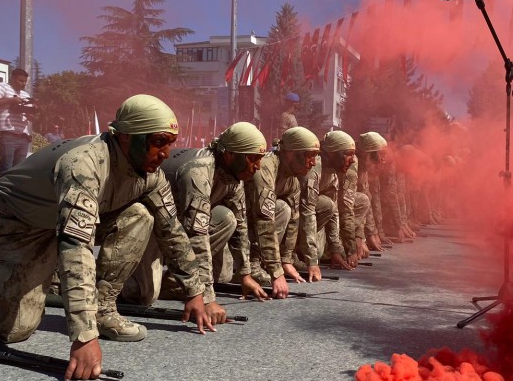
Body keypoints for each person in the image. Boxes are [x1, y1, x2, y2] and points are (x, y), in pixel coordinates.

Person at [0, 94, 211, 381]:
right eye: (158, 141)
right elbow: (76, 246)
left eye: (170, 143)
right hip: (13, 224)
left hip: (53, 223)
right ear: (125, 137)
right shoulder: (84, 165)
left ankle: (103, 309)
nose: (166, 152)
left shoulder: (151, 175)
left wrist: (195, 292)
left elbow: (171, 230)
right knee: (11, 330)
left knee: (139, 215)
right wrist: (84, 336)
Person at [122, 121, 271, 317]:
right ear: (229, 155)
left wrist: (245, 274)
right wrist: (207, 298)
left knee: (227, 222)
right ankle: (109, 279)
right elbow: (196, 235)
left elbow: (240, 226)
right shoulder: (199, 171)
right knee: (142, 295)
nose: (257, 167)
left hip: (176, 226)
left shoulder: (233, 176)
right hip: (150, 227)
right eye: (253, 159)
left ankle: (174, 281)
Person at [245, 126, 320, 298]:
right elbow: (264, 220)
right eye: (310, 156)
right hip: (240, 225)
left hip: (251, 227)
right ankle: (252, 265)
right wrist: (276, 272)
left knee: (287, 210)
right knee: (280, 209)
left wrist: (286, 259)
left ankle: (259, 262)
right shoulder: (265, 168)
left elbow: (294, 220)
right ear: (291, 154)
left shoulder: (292, 179)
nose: (314, 163)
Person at [297, 130, 364, 280]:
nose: (352, 160)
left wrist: (336, 250)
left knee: (320, 251)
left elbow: (334, 212)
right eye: (348, 154)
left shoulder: (332, 173)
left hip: (306, 219)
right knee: (316, 253)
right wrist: (312, 261)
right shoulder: (314, 171)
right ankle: (290, 253)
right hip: (294, 218)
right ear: (332, 154)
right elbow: (307, 213)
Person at [0, 68, 33, 174]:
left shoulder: (26, 95)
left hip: (23, 136)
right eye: (20, 81)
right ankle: (3, 190)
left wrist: (31, 114)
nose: (23, 84)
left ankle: (13, 190)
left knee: (19, 172)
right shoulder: (3, 86)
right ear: (13, 78)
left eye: (25, 82)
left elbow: (30, 117)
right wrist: (12, 100)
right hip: (8, 135)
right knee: (6, 169)